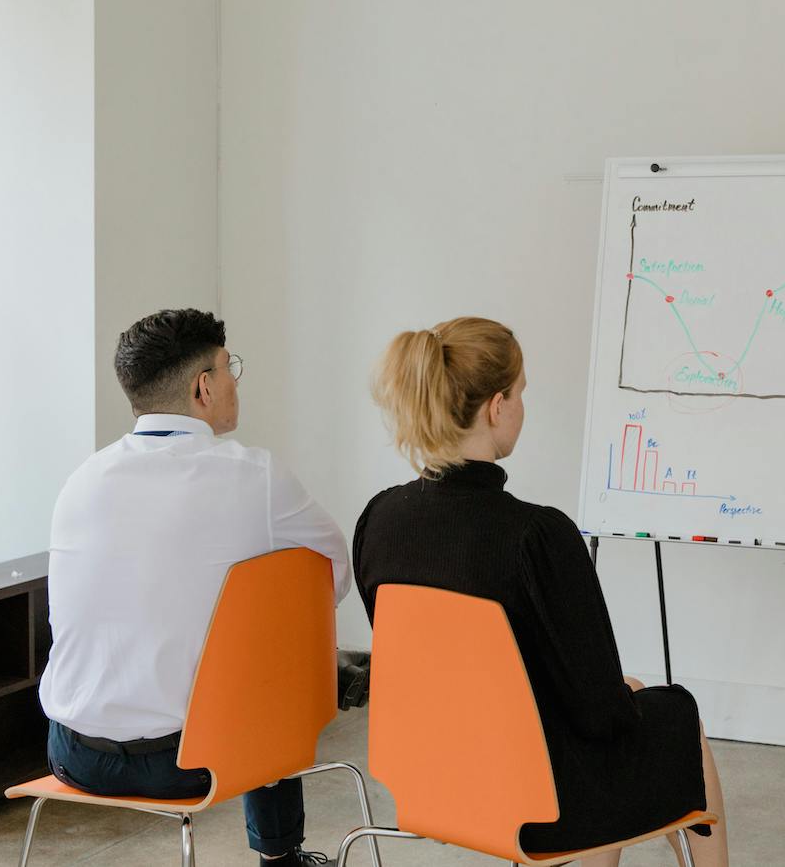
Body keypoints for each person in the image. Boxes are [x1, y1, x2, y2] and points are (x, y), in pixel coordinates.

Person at [352, 317, 729, 867]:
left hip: (432, 779)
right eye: (522, 393)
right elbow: (599, 711)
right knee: (675, 718)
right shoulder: (537, 534)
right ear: (496, 406)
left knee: (630, 694)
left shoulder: (380, 518)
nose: (524, 408)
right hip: (536, 800)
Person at [39, 308, 351, 867]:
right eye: (228, 368)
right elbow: (331, 579)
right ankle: (280, 856)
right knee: (273, 661)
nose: (234, 381)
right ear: (203, 387)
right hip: (191, 761)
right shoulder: (253, 474)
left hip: (71, 752)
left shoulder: (81, 479)